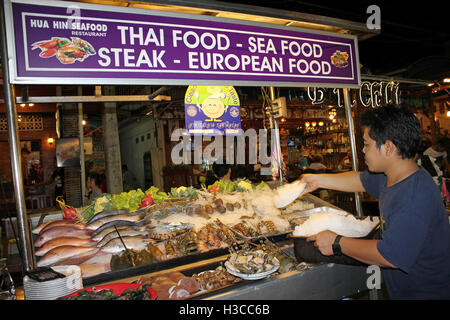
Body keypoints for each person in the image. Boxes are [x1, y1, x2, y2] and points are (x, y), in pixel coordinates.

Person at [299, 105, 450, 299]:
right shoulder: (393, 175)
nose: (362, 150)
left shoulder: (414, 195)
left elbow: (390, 255)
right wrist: (318, 180)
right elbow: (361, 180)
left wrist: (337, 242)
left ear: (388, 147)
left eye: (367, 144)